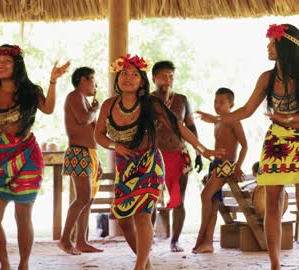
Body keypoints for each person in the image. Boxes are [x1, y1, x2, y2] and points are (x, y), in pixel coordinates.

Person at [197, 24, 299, 270]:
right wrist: (217, 119)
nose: (268, 47)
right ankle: (275, 263)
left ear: (285, 46)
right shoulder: (267, 77)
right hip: (277, 140)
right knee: (273, 202)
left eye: (272, 43)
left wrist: (291, 119)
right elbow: (246, 110)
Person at [95, 54, 223, 270]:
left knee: (143, 215)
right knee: (125, 221)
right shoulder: (108, 105)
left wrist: (203, 149)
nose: (128, 78)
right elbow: (98, 136)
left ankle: (139, 266)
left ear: (142, 80)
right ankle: (147, 264)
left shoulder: (151, 103)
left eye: (135, 74)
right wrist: (115, 146)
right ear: (117, 78)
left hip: (149, 163)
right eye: (124, 73)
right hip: (124, 167)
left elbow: (179, 126)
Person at [0, 44, 70, 270]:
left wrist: (53, 80)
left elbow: (48, 108)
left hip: (27, 154)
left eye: (6, 61)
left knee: (23, 215)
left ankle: (24, 264)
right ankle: (5, 264)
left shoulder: (29, 91)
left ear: (16, 65)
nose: (1, 65)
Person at [151, 60, 202, 252]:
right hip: (155, 156)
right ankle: (149, 238)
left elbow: (190, 126)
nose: (168, 79)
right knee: (151, 200)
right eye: (163, 76)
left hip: (178, 154)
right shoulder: (148, 101)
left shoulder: (181, 100)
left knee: (178, 199)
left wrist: (198, 152)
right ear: (153, 78)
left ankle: (175, 241)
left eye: (171, 76)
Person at [193, 88, 247, 254]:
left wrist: (237, 166)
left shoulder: (234, 120)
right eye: (215, 102)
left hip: (227, 165)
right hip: (216, 163)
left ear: (231, 104)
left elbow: (245, 145)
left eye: (222, 102)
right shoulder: (218, 120)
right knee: (214, 203)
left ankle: (201, 236)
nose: (217, 105)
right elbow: (212, 118)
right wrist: (203, 116)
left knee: (205, 196)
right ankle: (207, 243)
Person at [58, 66, 103, 254]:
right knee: (82, 197)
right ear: (83, 80)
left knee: (88, 199)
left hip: (89, 153)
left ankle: (82, 241)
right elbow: (84, 119)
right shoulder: (74, 96)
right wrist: (95, 109)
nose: (95, 84)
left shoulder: (83, 99)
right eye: (92, 79)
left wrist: (98, 160)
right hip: (78, 152)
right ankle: (65, 240)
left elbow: (92, 131)